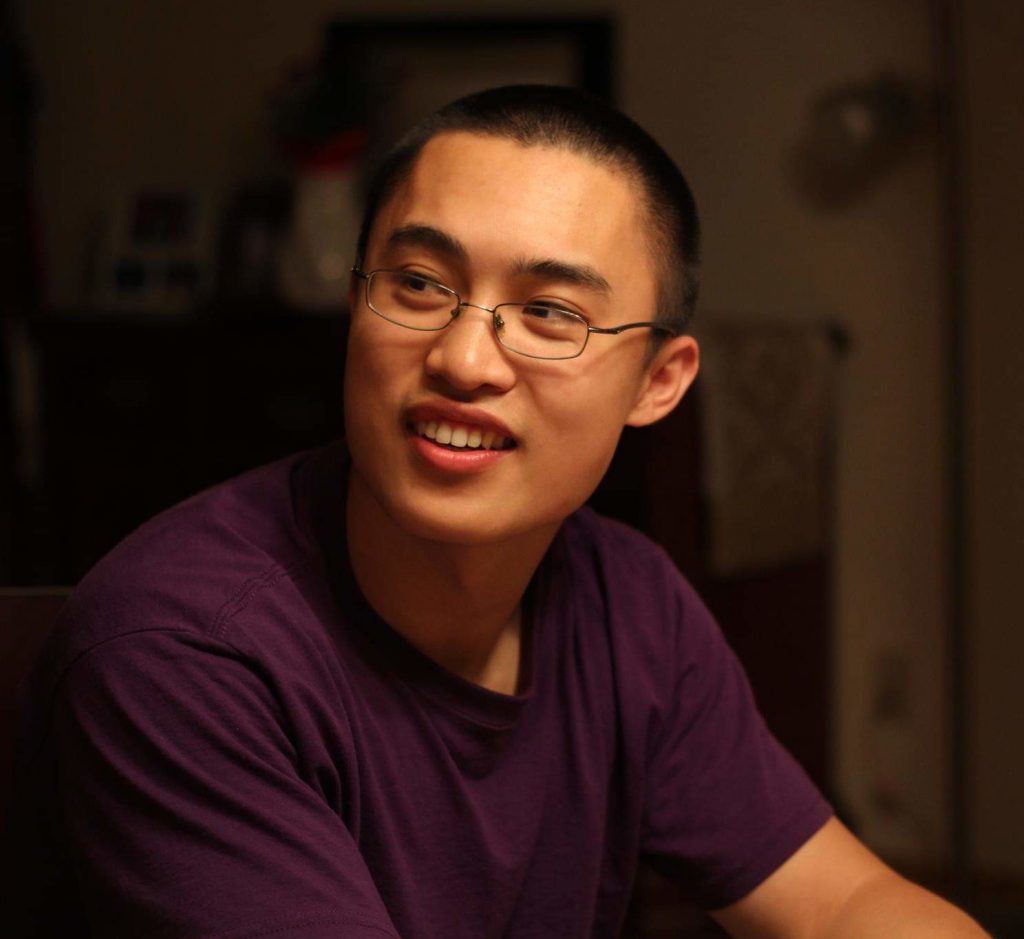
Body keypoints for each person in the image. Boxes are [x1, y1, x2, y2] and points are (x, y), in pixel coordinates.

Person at [7, 85, 986, 938]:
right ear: (354, 304)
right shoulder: (182, 653)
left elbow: (839, 905)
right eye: (421, 286)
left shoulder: (625, 600)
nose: (464, 361)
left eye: (550, 313)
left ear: (657, 381)